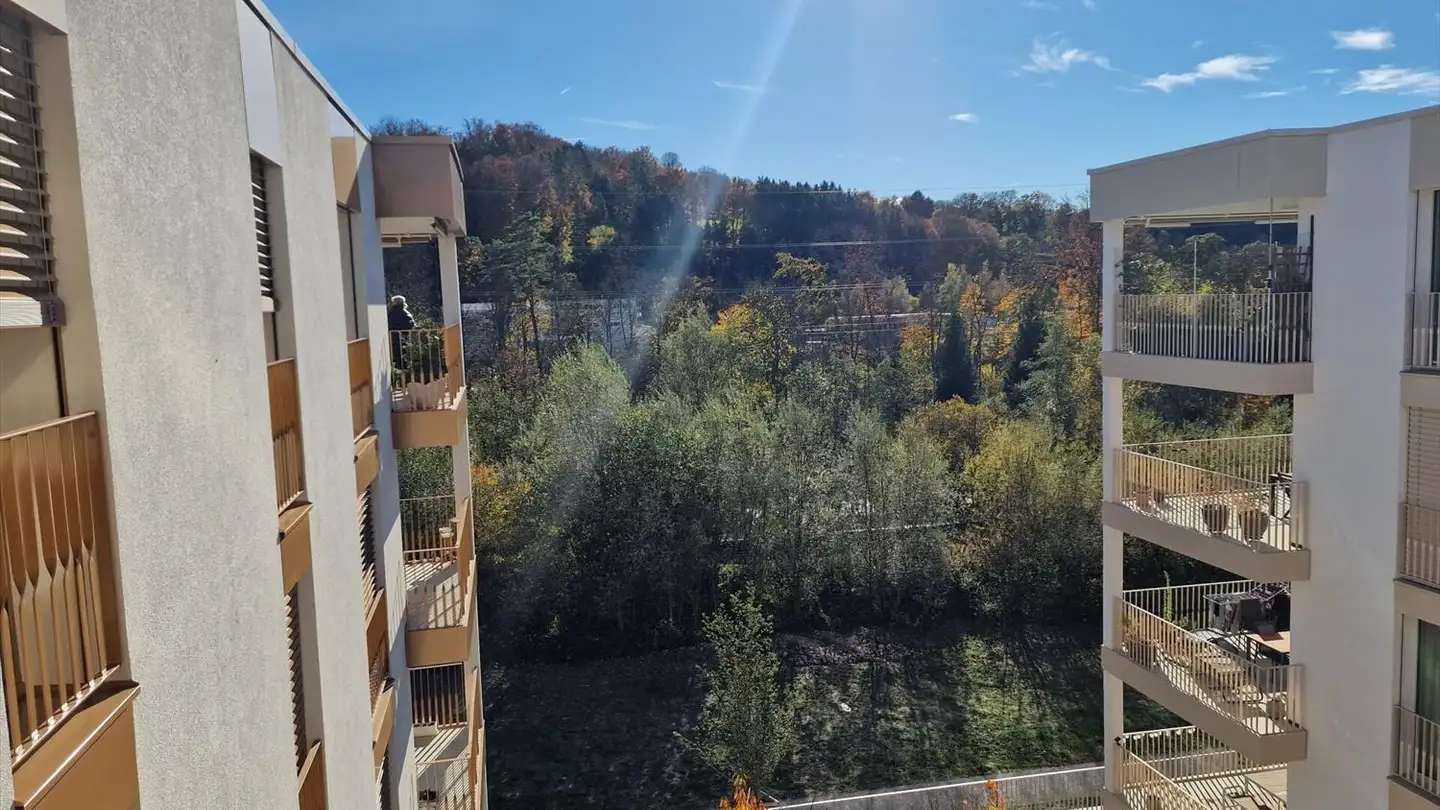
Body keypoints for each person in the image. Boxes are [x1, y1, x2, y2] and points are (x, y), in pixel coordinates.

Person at [387, 295, 415, 369]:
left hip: (392, 339)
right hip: (405, 338)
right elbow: (412, 325)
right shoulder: (407, 314)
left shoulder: (390, 314)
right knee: (404, 356)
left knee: (395, 357)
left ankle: (397, 371)